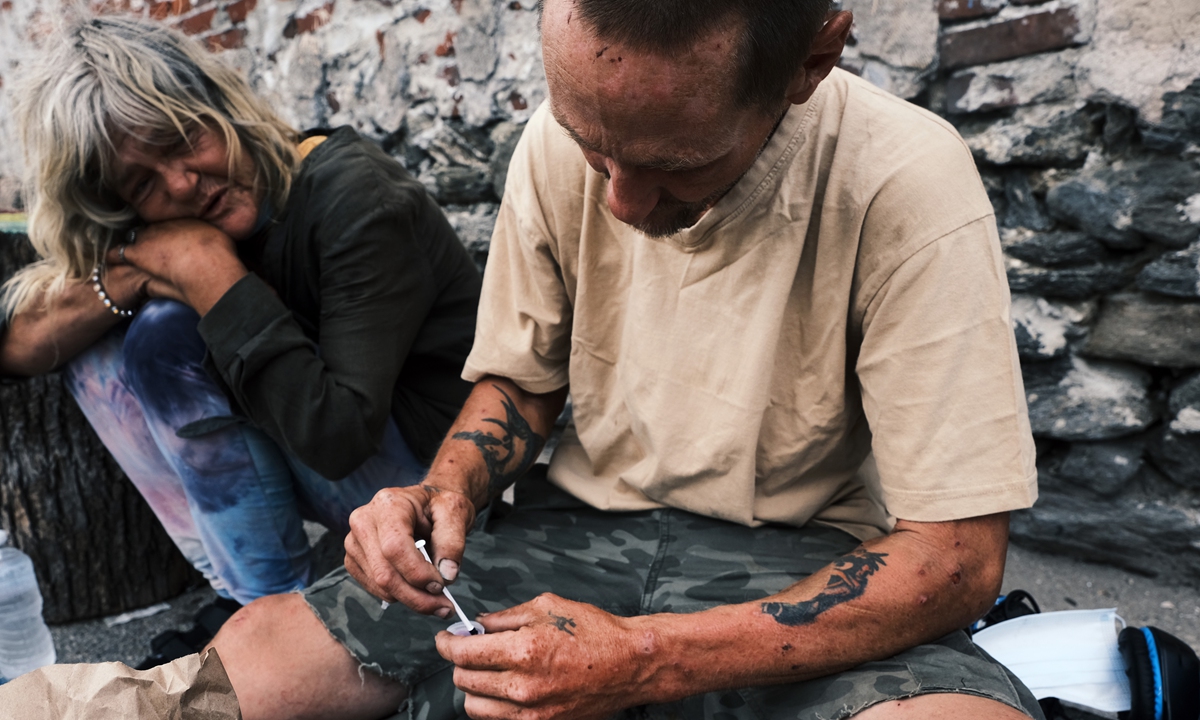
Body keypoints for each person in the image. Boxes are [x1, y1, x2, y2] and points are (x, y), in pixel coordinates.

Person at [103, 0, 1043, 717]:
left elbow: (955, 560)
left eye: (677, 163)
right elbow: (520, 381)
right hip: (578, 534)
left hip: (815, 563)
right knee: (252, 665)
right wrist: (443, 495)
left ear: (812, 61)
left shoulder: (904, 178)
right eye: (597, 153)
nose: (625, 204)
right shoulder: (559, 140)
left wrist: (645, 658)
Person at [0, 15, 481, 658]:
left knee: (165, 338)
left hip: (445, 496)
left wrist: (212, 276)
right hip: (345, 485)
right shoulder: (172, 223)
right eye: (143, 182)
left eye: (180, 139)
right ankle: (255, 599)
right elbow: (18, 346)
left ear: (220, 106)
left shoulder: (352, 195)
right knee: (101, 352)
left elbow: (337, 437)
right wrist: (139, 268)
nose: (180, 183)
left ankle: (275, 619)